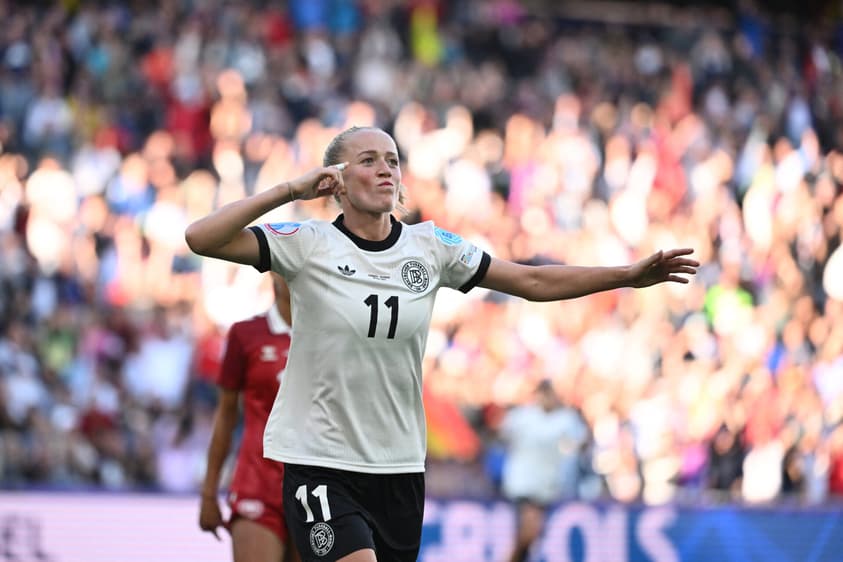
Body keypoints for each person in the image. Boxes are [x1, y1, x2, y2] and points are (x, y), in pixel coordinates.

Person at [184, 125, 699, 562]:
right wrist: (291, 190)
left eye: (392, 160)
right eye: (368, 160)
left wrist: (627, 276)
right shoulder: (308, 243)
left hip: (400, 468)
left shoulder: (430, 247)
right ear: (336, 182)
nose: (387, 169)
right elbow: (201, 238)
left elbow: (532, 282)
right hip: (320, 463)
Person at [199, 272, 300, 562]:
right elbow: (226, 417)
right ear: (271, 272)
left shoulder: (331, 334)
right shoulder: (246, 334)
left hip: (315, 485)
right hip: (257, 483)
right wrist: (209, 493)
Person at [499, 379, 588, 562]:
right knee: (530, 528)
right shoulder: (523, 416)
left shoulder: (566, 419)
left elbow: (581, 443)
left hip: (546, 486)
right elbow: (502, 434)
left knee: (531, 535)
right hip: (522, 484)